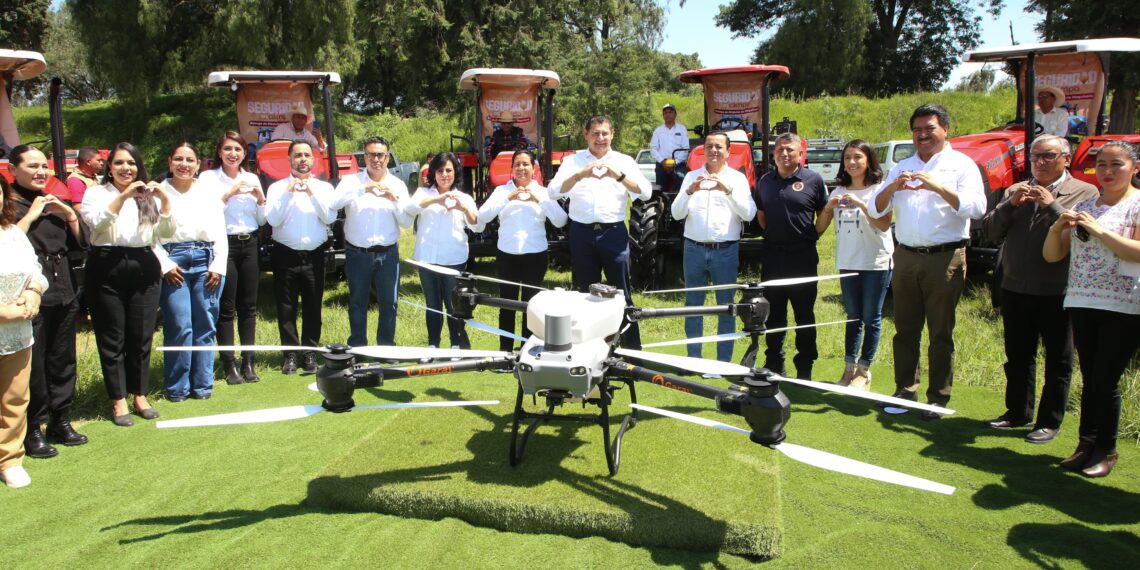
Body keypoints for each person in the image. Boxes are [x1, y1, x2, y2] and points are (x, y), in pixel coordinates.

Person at [870, 104, 986, 419]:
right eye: (917, 129)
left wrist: (938, 187)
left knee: (940, 332)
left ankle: (937, 398)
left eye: (929, 128)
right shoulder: (901, 166)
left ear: (945, 129)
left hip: (945, 257)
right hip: (906, 255)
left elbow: (977, 208)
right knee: (905, 329)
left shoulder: (961, 165)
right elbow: (876, 207)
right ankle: (905, 392)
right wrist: (893, 186)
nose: (922, 135)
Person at [982, 135, 1097, 443]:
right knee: (1018, 355)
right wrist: (1010, 203)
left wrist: (1052, 204)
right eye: (1035, 157)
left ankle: (1049, 421)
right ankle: (1017, 412)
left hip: (1059, 289)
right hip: (1016, 285)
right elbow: (991, 232)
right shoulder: (1015, 190)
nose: (1041, 162)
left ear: (1066, 158)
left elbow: (1086, 235)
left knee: (1058, 360)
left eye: (1048, 156)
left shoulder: (1085, 192)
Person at [1043, 141, 1140, 478]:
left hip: (1124, 304)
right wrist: (1057, 227)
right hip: (1084, 299)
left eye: (1117, 165)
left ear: (1134, 168)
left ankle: (1105, 449)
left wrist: (1099, 230)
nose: (1108, 172)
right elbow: (1052, 256)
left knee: (1105, 379)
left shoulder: (1136, 205)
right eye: (1101, 165)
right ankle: (1085, 444)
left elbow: (1137, 252)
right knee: (1090, 377)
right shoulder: (1087, 205)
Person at [80, 142, 174, 426]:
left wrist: (164, 200)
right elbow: (95, 225)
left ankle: (140, 394)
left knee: (141, 335)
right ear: (109, 166)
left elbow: (166, 232)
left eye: (131, 163)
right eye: (119, 163)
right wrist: (122, 197)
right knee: (112, 337)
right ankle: (118, 399)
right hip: (107, 264)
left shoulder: (147, 197)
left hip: (143, 264)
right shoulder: (95, 193)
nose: (126, 168)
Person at [9, 146, 87, 458]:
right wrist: (32, 214)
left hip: (63, 288)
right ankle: (32, 429)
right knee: (35, 366)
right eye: (32, 166)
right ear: (13, 170)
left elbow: (81, 243)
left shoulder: (57, 199)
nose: (41, 172)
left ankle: (61, 420)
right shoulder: (9, 203)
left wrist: (69, 216)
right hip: (29, 295)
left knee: (63, 359)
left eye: (45, 166)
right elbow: (9, 242)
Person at [547, 115, 652, 348]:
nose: (600, 138)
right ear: (586, 135)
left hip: (613, 233)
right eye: (595, 133)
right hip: (581, 234)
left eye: (605, 133)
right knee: (585, 295)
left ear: (612, 133)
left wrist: (619, 176)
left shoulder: (623, 161)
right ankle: (590, 350)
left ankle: (632, 350)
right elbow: (553, 191)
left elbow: (645, 192)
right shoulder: (573, 161)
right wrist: (578, 175)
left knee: (622, 294)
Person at [670, 131, 756, 363]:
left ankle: (723, 363)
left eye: (719, 147)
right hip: (694, 249)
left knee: (726, 307)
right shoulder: (691, 177)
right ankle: (694, 360)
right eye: (709, 146)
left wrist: (727, 191)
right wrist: (689, 191)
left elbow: (749, 213)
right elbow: (676, 213)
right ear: (703, 151)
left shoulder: (737, 179)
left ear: (728, 152)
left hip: (725, 251)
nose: (714, 151)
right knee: (692, 307)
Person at [154, 142, 227, 402]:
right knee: (180, 325)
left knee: (205, 325)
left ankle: (203, 385)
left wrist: (218, 265)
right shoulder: (157, 192)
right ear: (170, 161)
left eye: (190, 160)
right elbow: (149, 235)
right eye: (178, 159)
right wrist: (165, 265)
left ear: (198, 164)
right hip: (173, 261)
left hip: (206, 260)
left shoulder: (208, 192)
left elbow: (220, 231)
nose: (184, 164)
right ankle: (177, 388)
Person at [754, 132, 830, 379]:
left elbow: (824, 213)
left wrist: (812, 235)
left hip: (802, 257)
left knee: (804, 315)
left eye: (789, 149)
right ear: (774, 153)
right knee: (774, 314)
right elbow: (762, 215)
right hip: (773, 256)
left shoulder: (814, 180)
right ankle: (774, 362)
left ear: (800, 154)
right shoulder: (765, 181)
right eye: (779, 150)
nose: (784, 154)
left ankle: (805, 367)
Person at [477, 149, 568, 351]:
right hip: (507, 255)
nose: (521, 168)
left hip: (535, 255)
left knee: (531, 306)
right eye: (517, 164)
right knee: (507, 305)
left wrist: (540, 200)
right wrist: (508, 198)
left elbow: (561, 220)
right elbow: (483, 216)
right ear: (511, 169)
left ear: (533, 168)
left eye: (525, 164)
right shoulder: (502, 191)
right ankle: (505, 352)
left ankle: (528, 350)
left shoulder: (544, 192)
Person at [330, 137, 412, 347]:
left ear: (387, 157)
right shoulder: (351, 182)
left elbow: (406, 221)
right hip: (358, 253)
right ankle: (358, 347)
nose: (376, 159)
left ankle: (386, 346)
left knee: (389, 303)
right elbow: (333, 204)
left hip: (388, 253)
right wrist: (362, 190)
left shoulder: (397, 185)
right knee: (357, 302)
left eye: (380, 155)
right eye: (371, 155)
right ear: (364, 157)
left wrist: (394, 200)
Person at [198, 131, 266, 384]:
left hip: (249, 243)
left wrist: (260, 200)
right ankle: (229, 365)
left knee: (248, 307)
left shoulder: (252, 177)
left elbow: (261, 220)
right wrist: (229, 194)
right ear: (219, 152)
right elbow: (206, 212)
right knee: (226, 307)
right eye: (227, 149)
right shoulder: (207, 178)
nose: (233, 154)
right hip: (222, 244)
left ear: (244, 153)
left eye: (238, 149)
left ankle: (249, 363)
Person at [826, 139, 893, 390]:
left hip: (876, 261)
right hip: (848, 260)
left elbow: (884, 225)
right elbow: (825, 221)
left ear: (869, 160)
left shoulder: (880, 189)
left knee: (870, 317)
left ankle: (864, 371)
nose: (852, 162)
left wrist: (863, 205)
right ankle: (849, 368)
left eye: (857, 157)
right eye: (847, 158)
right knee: (852, 317)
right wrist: (829, 206)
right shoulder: (838, 190)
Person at [265, 141, 336, 374]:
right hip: (285, 255)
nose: (302, 159)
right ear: (289, 160)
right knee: (286, 308)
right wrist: (289, 192)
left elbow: (329, 218)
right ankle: (291, 355)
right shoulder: (277, 188)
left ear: (313, 160)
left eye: (307, 155)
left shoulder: (324, 188)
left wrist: (312, 193)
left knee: (313, 307)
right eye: (297, 155)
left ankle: (309, 354)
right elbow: (273, 220)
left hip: (314, 256)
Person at [0, 176, 50, 489]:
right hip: (7, 317)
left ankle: (9, 459)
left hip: (17, 332)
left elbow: (35, 269)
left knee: (15, 397)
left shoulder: (12, 234)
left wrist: (33, 291)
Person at [404, 152, 482, 351]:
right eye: (440, 171)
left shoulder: (464, 196)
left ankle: (456, 343)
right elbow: (410, 208)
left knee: (453, 304)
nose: (444, 175)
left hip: (453, 259)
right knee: (432, 304)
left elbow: (477, 225)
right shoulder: (424, 193)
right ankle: (433, 344)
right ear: (433, 173)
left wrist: (463, 208)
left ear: (455, 172)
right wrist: (436, 200)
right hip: (427, 259)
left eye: (448, 170)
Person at [650, 103, 688, 191]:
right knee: (660, 189)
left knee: (682, 180)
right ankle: (663, 204)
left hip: (678, 164)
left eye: (670, 112)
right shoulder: (658, 130)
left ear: (675, 114)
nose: (668, 114)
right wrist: (662, 161)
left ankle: (675, 202)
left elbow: (685, 148)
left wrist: (675, 162)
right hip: (662, 164)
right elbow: (653, 148)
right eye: (665, 113)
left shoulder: (682, 129)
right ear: (663, 115)